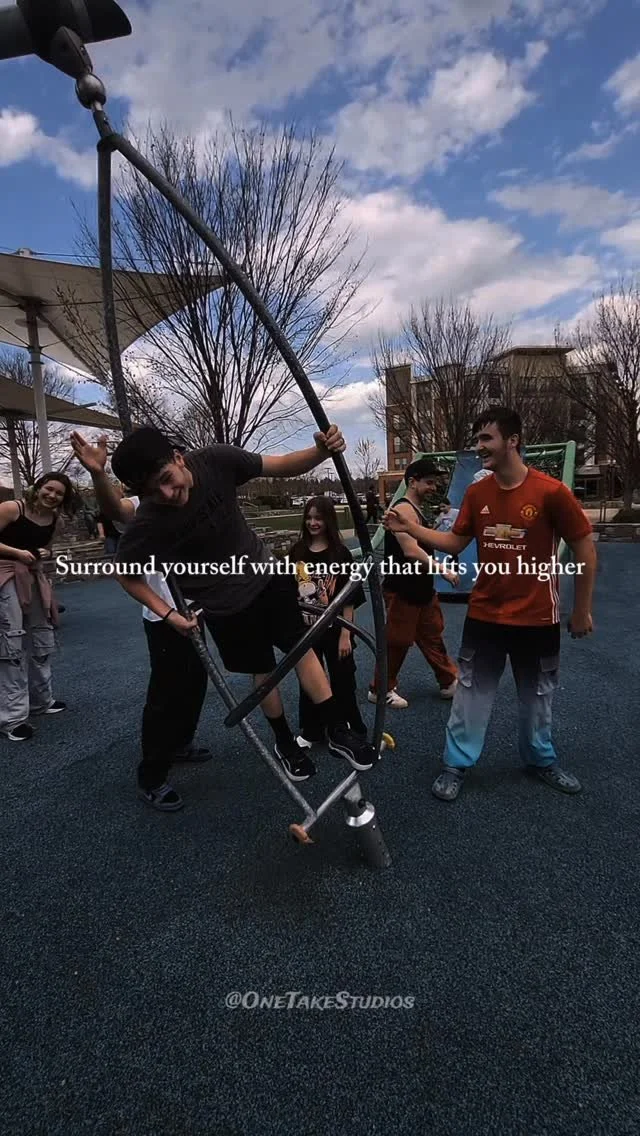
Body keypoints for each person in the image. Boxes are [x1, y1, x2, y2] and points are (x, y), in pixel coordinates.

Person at [107, 425, 377, 799]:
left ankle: (336, 728)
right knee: (262, 670)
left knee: (301, 648)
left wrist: (320, 452)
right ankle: (284, 742)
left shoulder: (216, 461)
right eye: (154, 491)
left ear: (178, 458)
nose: (167, 495)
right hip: (226, 608)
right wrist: (168, 614)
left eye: (167, 479)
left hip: (268, 578)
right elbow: (126, 575)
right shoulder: (149, 521)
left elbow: (282, 465)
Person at [384, 406, 596, 801]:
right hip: (485, 615)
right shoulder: (477, 493)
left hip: (537, 617)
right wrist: (409, 526)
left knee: (537, 697)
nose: (479, 446)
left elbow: (585, 549)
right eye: (478, 438)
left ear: (512, 441)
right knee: (470, 696)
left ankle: (541, 759)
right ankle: (456, 763)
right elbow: (455, 542)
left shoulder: (551, 492)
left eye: (487, 438)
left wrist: (582, 609)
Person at [70, 431, 212, 813]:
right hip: (163, 614)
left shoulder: (193, 496)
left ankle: (181, 743)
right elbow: (116, 509)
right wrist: (98, 474)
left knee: (196, 681)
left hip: (196, 609)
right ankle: (152, 776)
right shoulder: (146, 505)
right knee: (165, 694)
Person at [369, 457, 459, 709]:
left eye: (434, 483)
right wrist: (444, 571)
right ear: (412, 482)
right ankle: (380, 689)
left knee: (432, 634)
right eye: (429, 482)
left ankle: (449, 680)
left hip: (421, 588)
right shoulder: (403, 511)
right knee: (397, 640)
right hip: (403, 588)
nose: (433, 488)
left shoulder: (416, 510)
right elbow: (411, 550)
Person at [0, 472, 74, 741]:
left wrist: (46, 553)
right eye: (49, 489)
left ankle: (41, 700)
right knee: (11, 643)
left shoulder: (54, 519)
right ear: (38, 487)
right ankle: (11, 719)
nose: (52, 496)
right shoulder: (12, 508)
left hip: (33, 576)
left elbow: (46, 548)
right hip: (5, 575)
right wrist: (16, 553)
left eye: (59, 494)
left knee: (42, 637)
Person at [290, 496, 367, 747]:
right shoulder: (297, 551)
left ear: (328, 521)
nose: (313, 523)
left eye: (318, 518)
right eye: (309, 517)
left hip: (336, 630)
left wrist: (346, 635)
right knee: (309, 681)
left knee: (343, 679)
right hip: (306, 630)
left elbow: (349, 598)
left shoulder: (340, 554)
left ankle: (349, 727)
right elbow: (289, 591)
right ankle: (312, 730)